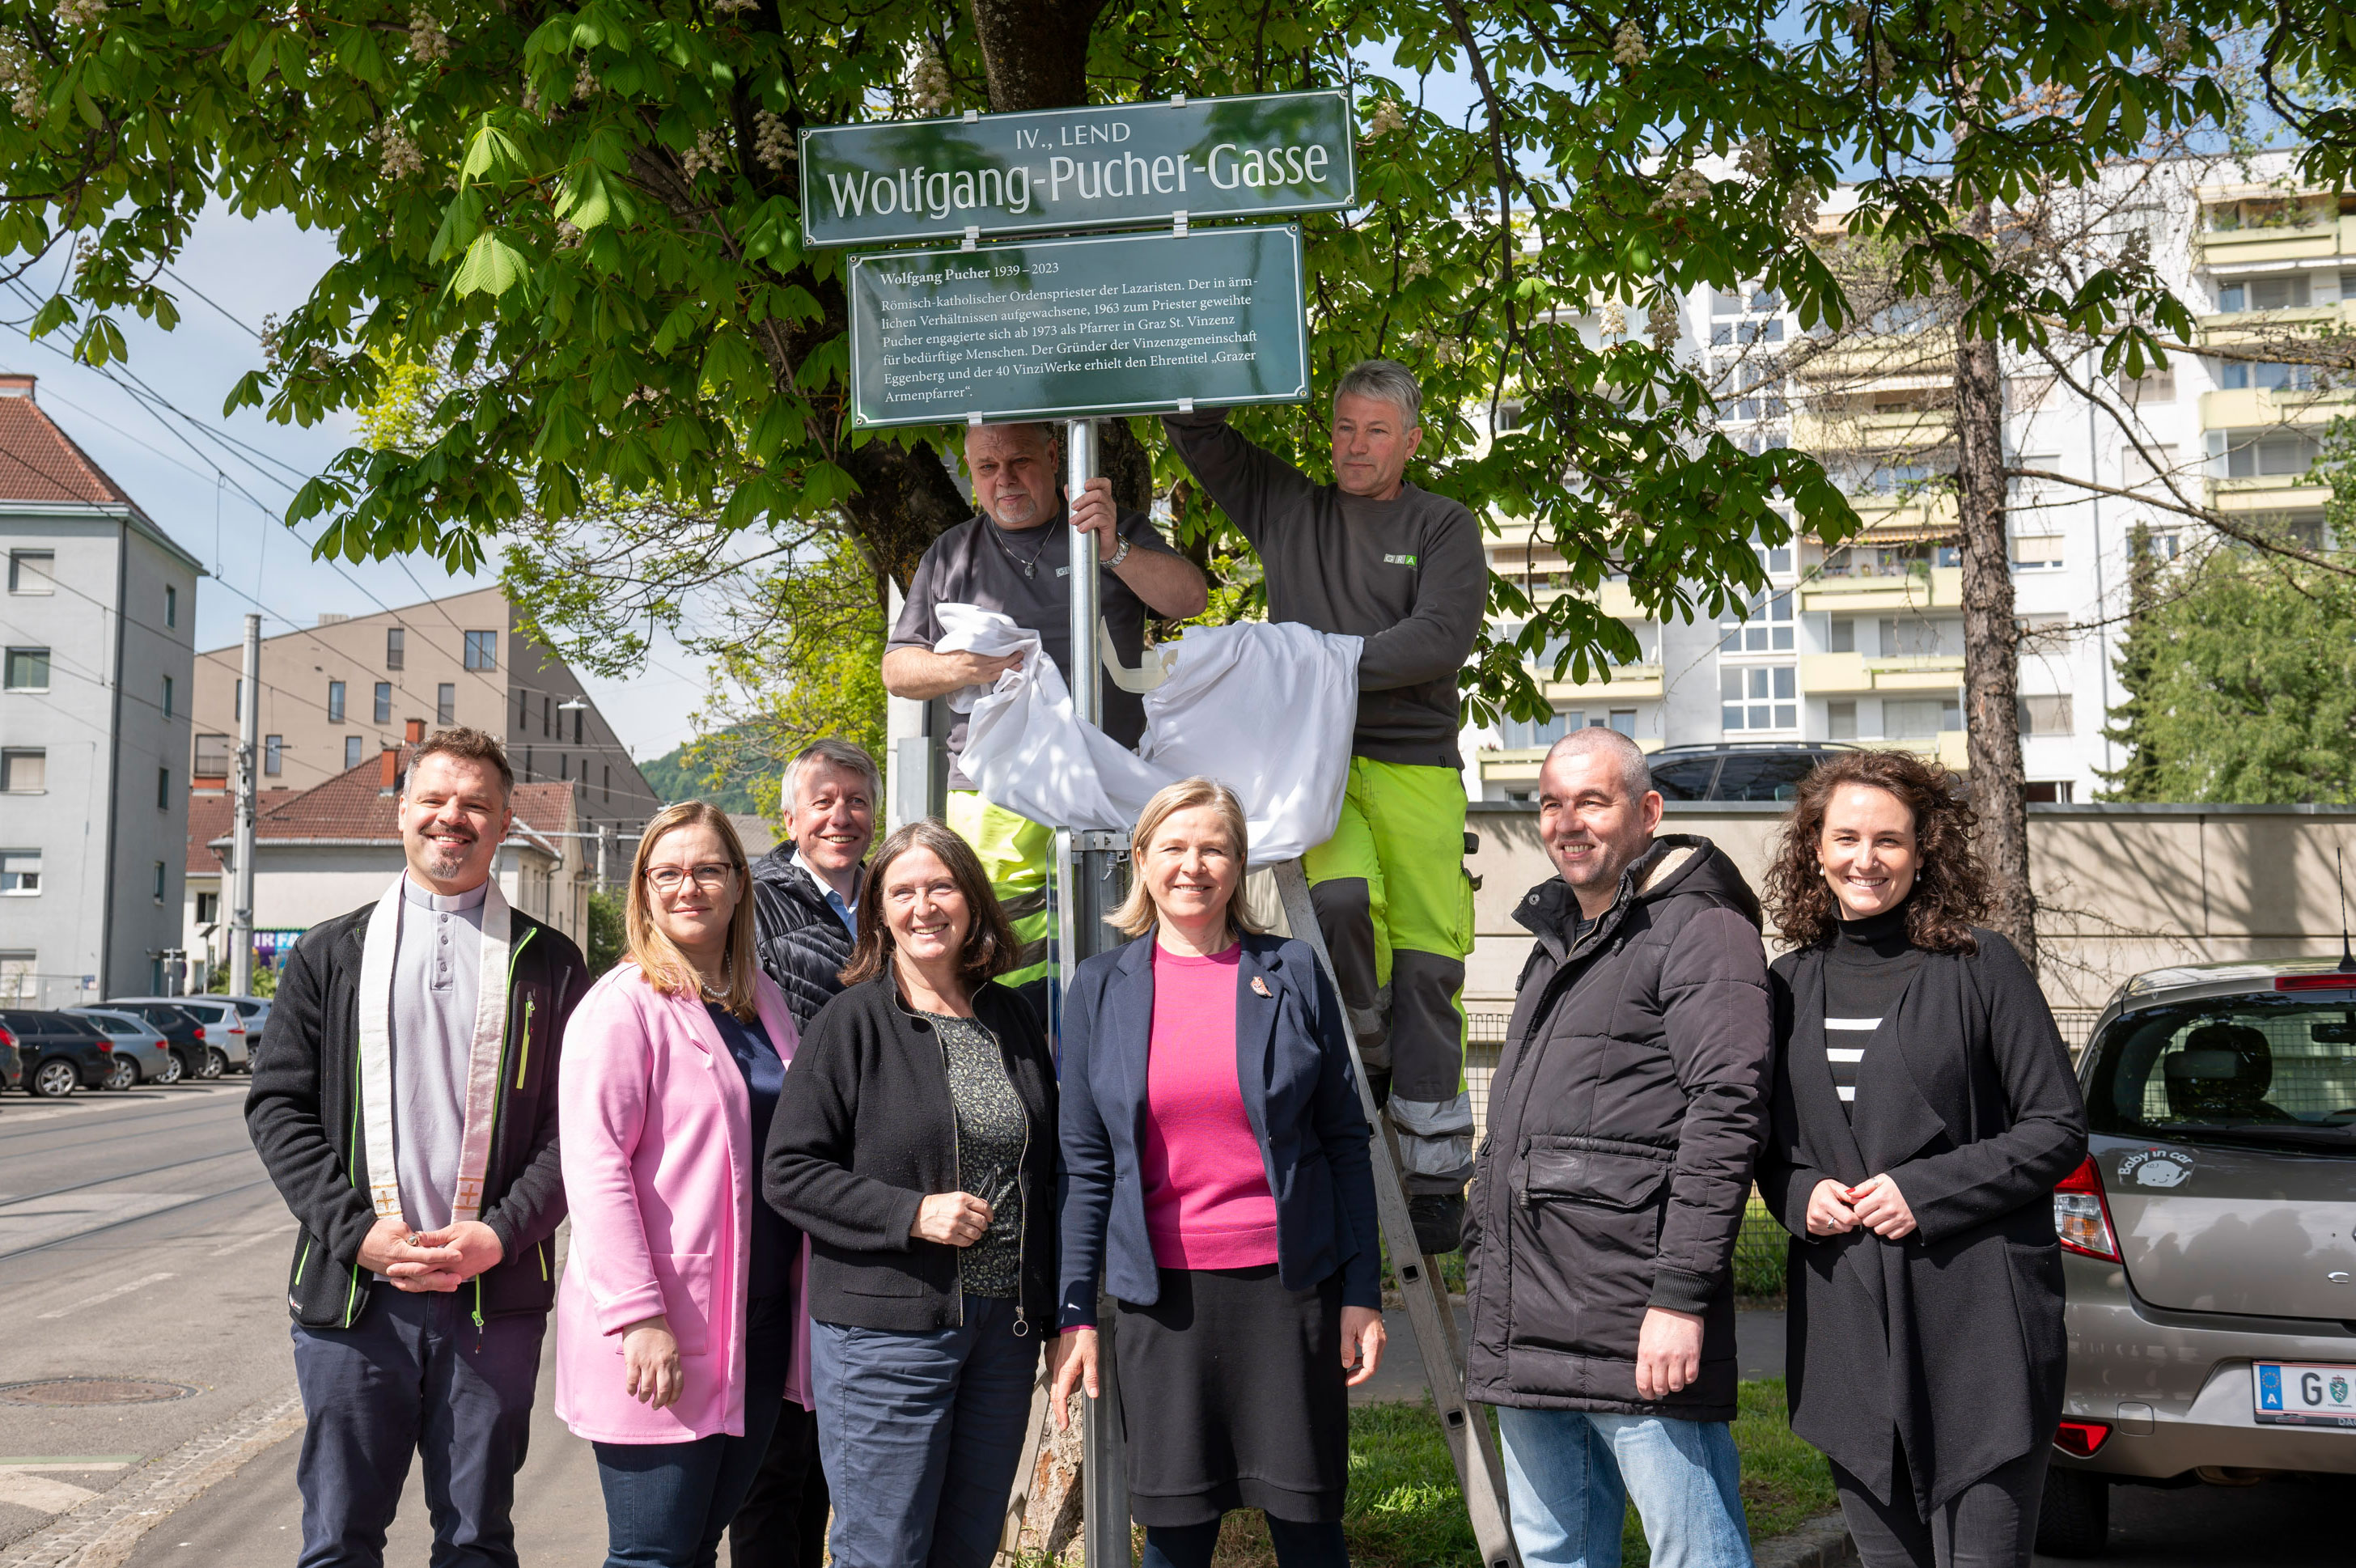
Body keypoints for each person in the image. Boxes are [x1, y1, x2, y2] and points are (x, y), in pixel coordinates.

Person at [1162, 360, 1486, 1253]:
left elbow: (1438, 638)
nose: (1354, 446)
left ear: (1410, 442)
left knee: (1426, 965)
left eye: (1375, 431)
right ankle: (1368, 1052)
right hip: (1316, 761)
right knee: (1337, 906)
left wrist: (1316, 663)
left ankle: (1430, 1172)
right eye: (1343, 428)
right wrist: (1227, 344)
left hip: (1416, 761)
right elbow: (1195, 435)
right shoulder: (1288, 507)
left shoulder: (1441, 524)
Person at [246, 727, 590, 1568]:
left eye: (475, 804)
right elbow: (278, 1108)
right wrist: (355, 1230)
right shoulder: (332, 952)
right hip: (355, 1296)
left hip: (491, 1296)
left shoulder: (549, 962)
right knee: (337, 1540)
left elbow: (577, 1132)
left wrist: (501, 1235)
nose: (452, 818)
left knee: (476, 1539)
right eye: (434, 800)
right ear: (401, 815)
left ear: (506, 823)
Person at [1755, 751, 2087, 1568]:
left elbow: (2056, 1126)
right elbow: (1768, 1149)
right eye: (1843, 838)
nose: (1863, 860)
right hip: (1848, 1331)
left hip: (1979, 1329)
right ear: (1813, 847)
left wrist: (1922, 1190)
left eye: (1888, 841)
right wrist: (1800, 1197)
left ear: (1922, 852)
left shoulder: (1980, 966)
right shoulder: (1783, 984)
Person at [1050, 778, 1385, 1568]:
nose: (1192, 865)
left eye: (1213, 848)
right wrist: (1078, 1314)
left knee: (1309, 1531)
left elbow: (1344, 1142)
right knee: (1174, 1537)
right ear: (1140, 860)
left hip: (1290, 1294)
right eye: (1172, 846)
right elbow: (1086, 1168)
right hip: (1161, 1307)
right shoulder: (1100, 989)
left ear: (1239, 865)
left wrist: (1362, 1294)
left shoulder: (1293, 972)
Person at [1462, 727, 1769, 1568]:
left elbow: (1727, 1110)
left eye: (1590, 801)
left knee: (1693, 1554)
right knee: (1554, 1554)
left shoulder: (1701, 931)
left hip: (1637, 1323)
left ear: (1646, 810)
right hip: (1526, 1319)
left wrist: (1677, 1298)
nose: (1566, 822)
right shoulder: (1557, 937)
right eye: (1550, 804)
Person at [762, 820, 1058, 1568]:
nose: (924, 906)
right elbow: (788, 1172)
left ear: (973, 902)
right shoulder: (850, 1021)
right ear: (878, 913)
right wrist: (911, 1214)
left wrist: (1056, 1309)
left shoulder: (1011, 1016)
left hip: (1002, 1335)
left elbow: (1047, 1169)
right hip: (887, 1336)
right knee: (885, 1553)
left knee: (967, 1549)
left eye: (941, 887)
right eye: (902, 891)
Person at [883, 421, 1209, 1019]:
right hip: (990, 788)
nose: (1004, 480)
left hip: (1107, 776)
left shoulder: (1108, 528)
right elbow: (899, 669)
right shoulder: (953, 553)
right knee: (1001, 955)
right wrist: (960, 666)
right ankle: (1020, 1082)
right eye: (987, 468)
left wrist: (1115, 552)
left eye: (1021, 462)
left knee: (1120, 946)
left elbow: (1190, 598)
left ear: (1055, 456)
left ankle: (1109, 1088)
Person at [555, 803, 808, 1568]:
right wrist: (639, 1318)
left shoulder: (762, 1002)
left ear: (739, 885)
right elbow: (595, 1172)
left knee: (699, 1546)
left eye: (707, 870)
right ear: (643, 890)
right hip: (665, 1326)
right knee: (651, 1556)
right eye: (667, 873)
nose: (687, 887)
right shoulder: (622, 1006)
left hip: (756, 1323)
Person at [735, 738, 879, 1567]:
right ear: (789, 817)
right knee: (774, 1441)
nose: (840, 815)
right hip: (782, 1182)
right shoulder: (758, 900)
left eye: (855, 799)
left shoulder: (894, 893)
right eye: (822, 800)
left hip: (868, 1190)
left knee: (835, 1420)